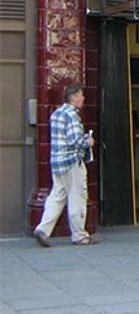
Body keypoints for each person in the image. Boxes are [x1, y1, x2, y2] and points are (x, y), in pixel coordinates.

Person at [32, 84, 96, 246]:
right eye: (81, 95)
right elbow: (75, 141)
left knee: (57, 196)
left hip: (57, 162)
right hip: (72, 162)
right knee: (77, 197)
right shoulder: (72, 115)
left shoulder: (56, 114)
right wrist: (88, 141)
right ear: (73, 97)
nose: (83, 99)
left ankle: (43, 229)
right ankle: (80, 235)